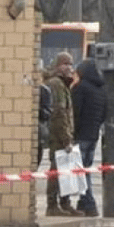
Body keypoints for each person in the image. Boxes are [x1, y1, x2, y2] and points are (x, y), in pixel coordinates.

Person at [71, 57, 108, 217]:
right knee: (85, 169)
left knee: (81, 172)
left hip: (80, 135)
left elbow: (75, 112)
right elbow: (104, 114)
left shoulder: (81, 88)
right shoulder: (101, 90)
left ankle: (89, 203)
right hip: (93, 136)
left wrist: (73, 133)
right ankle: (83, 203)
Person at [45, 52, 78, 216]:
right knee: (56, 170)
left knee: (65, 170)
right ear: (58, 66)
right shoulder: (56, 84)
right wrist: (66, 138)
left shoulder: (63, 84)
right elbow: (59, 114)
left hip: (63, 134)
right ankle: (52, 205)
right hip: (57, 136)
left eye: (71, 64)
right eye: (65, 64)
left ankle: (65, 203)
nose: (69, 68)